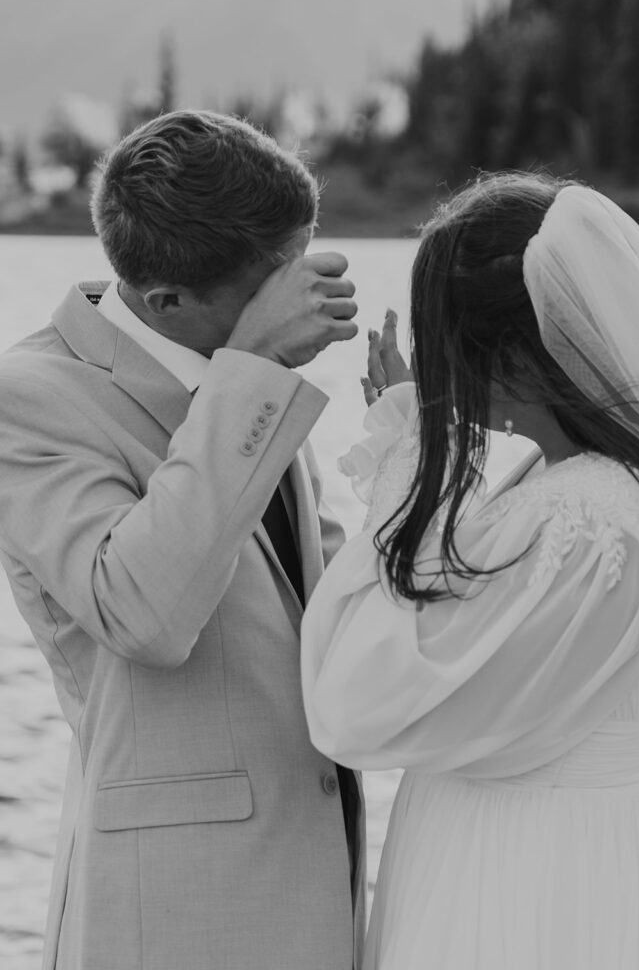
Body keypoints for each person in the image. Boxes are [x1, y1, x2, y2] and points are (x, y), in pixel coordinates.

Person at [0, 110, 365, 970]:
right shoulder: (31, 396)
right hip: (174, 912)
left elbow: (325, 603)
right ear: (167, 300)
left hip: (313, 883)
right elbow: (143, 613)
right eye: (275, 281)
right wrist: (253, 371)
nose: (302, 299)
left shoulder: (243, 376)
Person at [301, 171, 639, 969]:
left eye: (441, 346)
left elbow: (368, 702)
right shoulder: (589, 487)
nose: (433, 372)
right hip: (583, 844)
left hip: (532, 868)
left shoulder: (587, 517)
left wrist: (408, 453)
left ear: (511, 358)